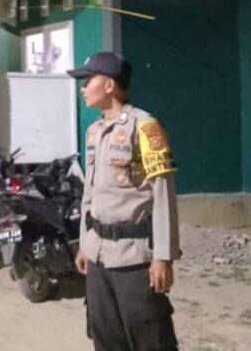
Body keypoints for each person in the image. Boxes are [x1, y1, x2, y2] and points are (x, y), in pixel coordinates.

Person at [67, 52, 181, 351]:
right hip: (99, 257)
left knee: (150, 341)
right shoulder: (94, 131)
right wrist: (85, 244)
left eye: (88, 80)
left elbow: (163, 194)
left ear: (109, 85)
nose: (83, 88)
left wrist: (163, 257)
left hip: (134, 260)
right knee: (106, 339)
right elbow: (90, 194)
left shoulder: (145, 127)